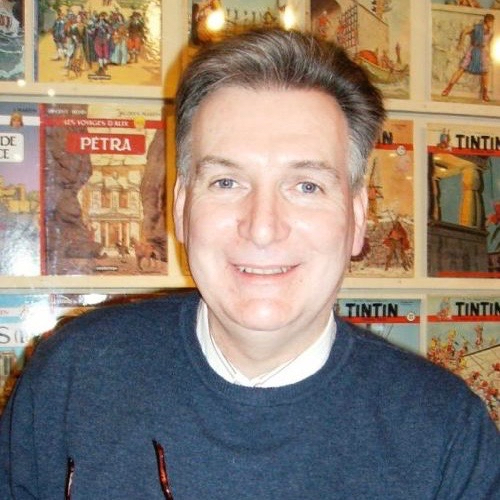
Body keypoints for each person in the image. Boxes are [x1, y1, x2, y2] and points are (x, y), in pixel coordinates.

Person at [0, 29, 498, 499]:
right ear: (181, 206)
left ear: (358, 218)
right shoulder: (75, 374)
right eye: (226, 182)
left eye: (306, 186)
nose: (262, 227)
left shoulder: (447, 431)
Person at [441, 13, 495, 102]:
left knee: (485, 72)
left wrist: (489, 54)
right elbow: (464, 31)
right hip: (473, 51)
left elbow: (488, 44)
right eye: (491, 22)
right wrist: (461, 43)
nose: (492, 24)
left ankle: (485, 94)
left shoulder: (491, 32)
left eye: (492, 22)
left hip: (482, 52)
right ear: (487, 21)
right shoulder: (477, 28)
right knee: (462, 68)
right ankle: (448, 89)